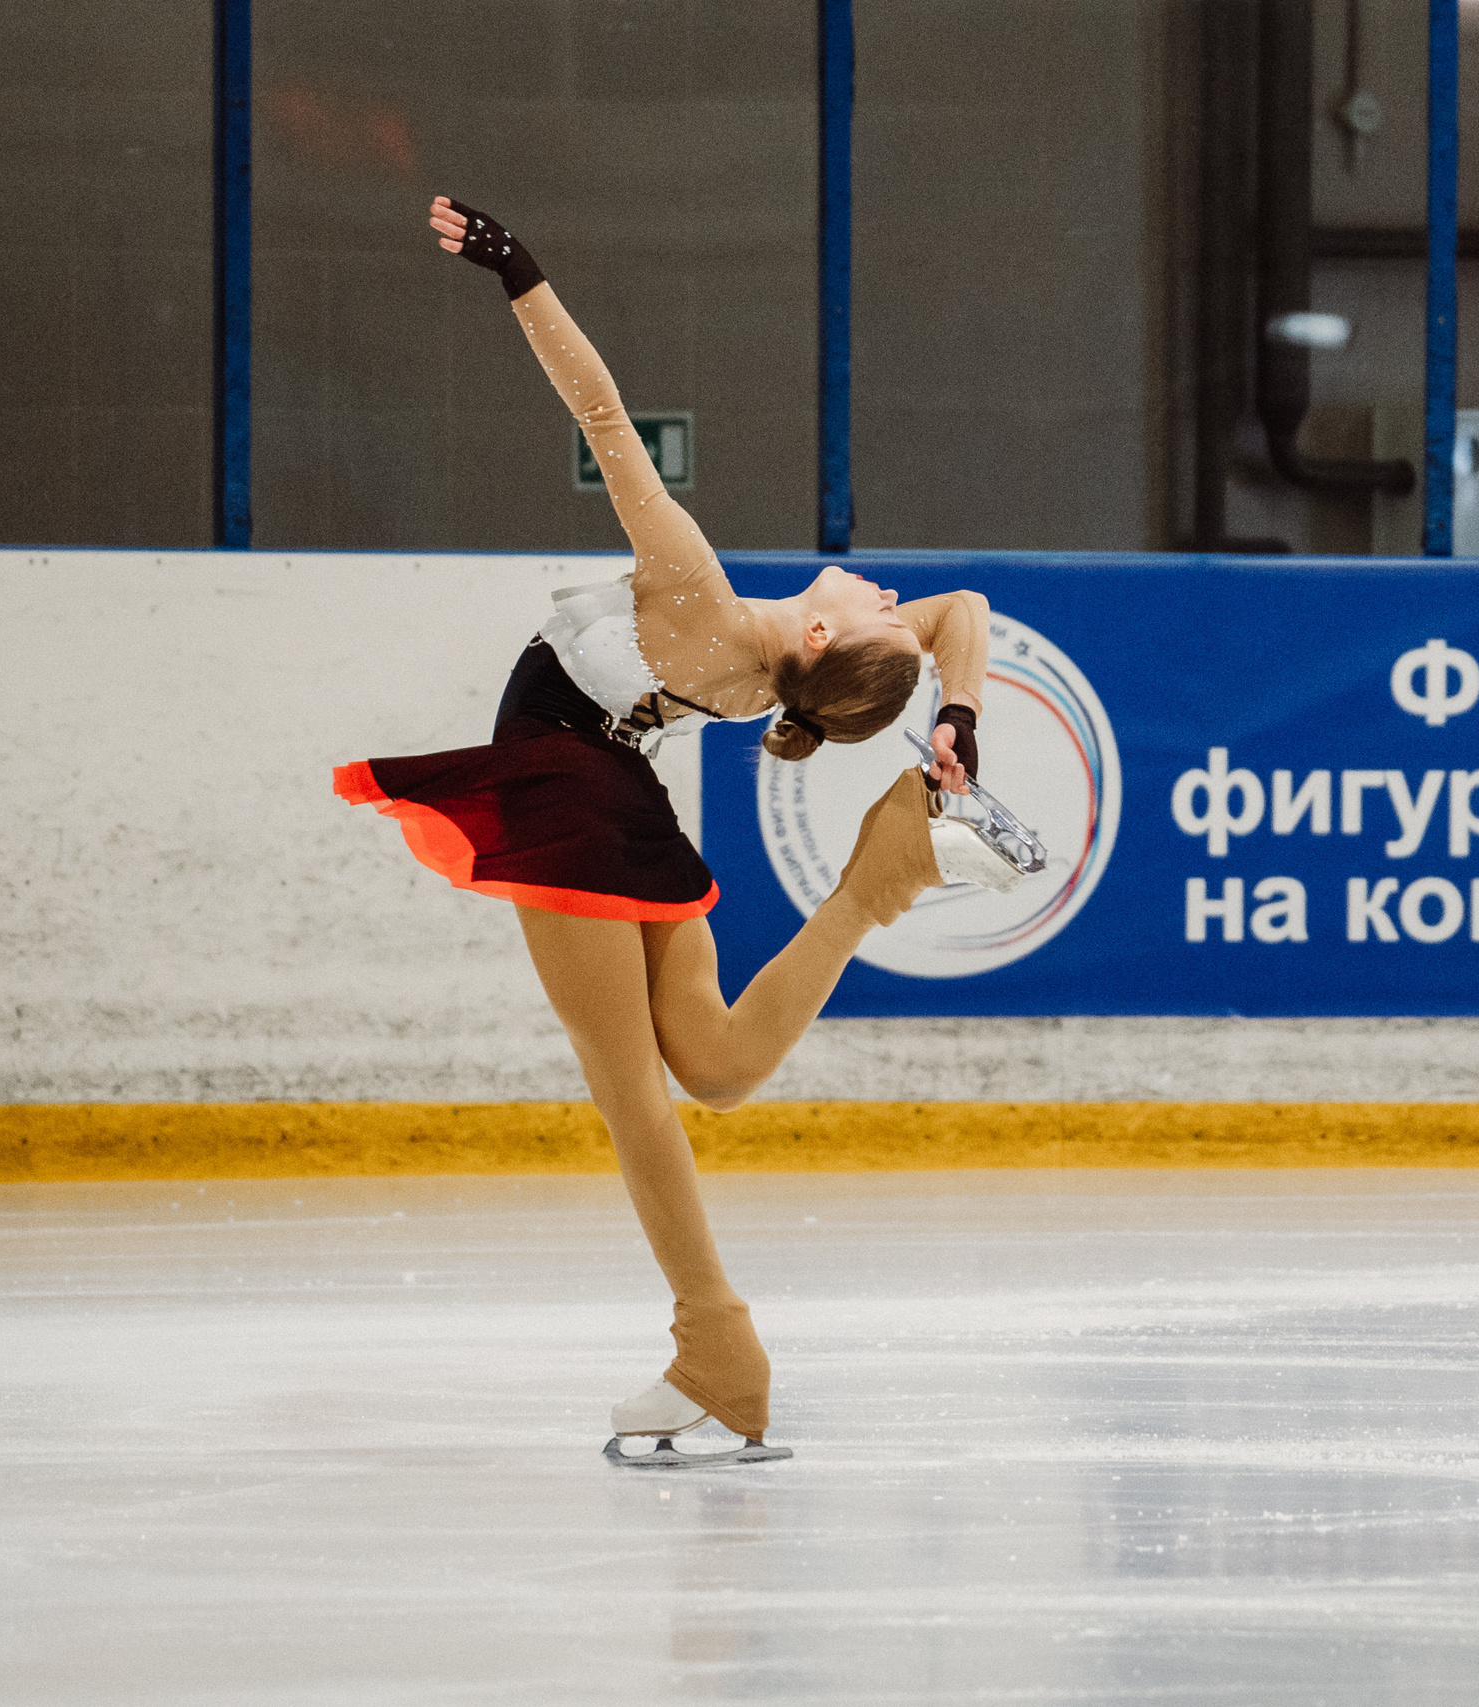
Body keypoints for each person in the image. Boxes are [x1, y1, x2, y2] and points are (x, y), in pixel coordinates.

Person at [334, 196, 991, 1461]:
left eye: (865, 601)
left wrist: (517, 269)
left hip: (562, 789)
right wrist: (959, 722)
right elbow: (960, 611)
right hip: (624, 788)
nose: (874, 586)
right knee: (723, 1066)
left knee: (632, 1088)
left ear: (820, 636)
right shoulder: (783, 675)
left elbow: (602, 415)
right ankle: (868, 889)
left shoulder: (699, 589)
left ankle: (715, 1343)